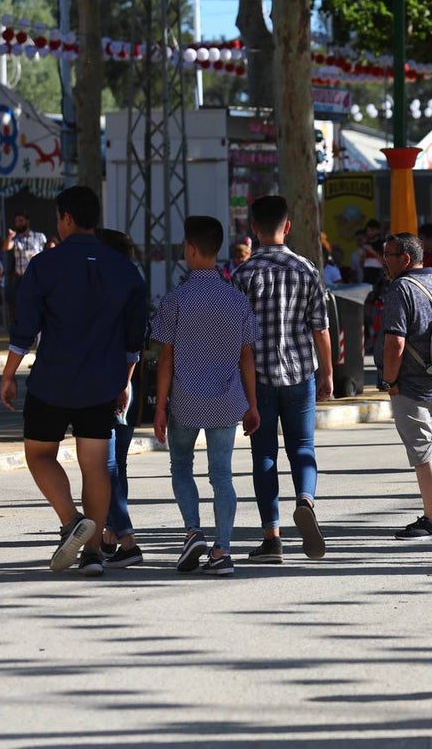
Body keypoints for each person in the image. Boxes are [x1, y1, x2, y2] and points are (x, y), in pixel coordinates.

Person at [0, 186, 148, 577]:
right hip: (103, 381)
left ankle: (70, 522)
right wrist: (126, 380)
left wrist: (8, 374)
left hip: (52, 380)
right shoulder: (123, 269)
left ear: (65, 218)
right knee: (96, 467)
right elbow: (136, 337)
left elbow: (23, 330)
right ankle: (95, 553)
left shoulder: (44, 265)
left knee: (39, 455)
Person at [152, 216, 260, 576]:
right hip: (227, 399)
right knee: (222, 476)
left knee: (181, 466)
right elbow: (248, 357)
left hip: (184, 399)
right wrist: (252, 404)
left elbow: (165, 357)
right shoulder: (237, 300)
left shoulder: (175, 300)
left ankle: (193, 530)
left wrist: (159, 407)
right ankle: (223, 551)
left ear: (192, 249)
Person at [231, 195, 332, 563]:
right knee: (303, 448)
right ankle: (305, 499)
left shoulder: (241, 275)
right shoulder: (306, 269)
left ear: (253, 229)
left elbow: (235, 339)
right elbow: (320, 328)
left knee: (264, 456)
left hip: (256, 378)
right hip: (299, 374)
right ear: (287, 227)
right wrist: (328, 373)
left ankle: (272, 538)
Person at [380, 232, 432, 540]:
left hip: (410, 384)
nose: (384, 261)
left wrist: (390, 380)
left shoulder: (401, 289)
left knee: (423, 451)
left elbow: (395, 342)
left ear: (405, 259)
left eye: (388, 255)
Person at [93, 228, 147, 569]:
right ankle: (111, 534)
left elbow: (130, 345)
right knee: (116, 464)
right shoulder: (133, 283)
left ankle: (126, 539)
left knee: (107, 465)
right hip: (125, 382)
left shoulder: (112, 288)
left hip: (112, 383)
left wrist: (123, 383)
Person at [4, 212, 47, 328]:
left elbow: (45, 253)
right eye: (17, 221)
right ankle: (23, 328)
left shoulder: (39, 236)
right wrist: (10, 236)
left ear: (27, 221)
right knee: (20, 305)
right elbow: (6, 247)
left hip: (36, 276)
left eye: (21, 220)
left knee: (37, 304)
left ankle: (39, 328)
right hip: (20, 278)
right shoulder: (16, 239)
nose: (18, 223)